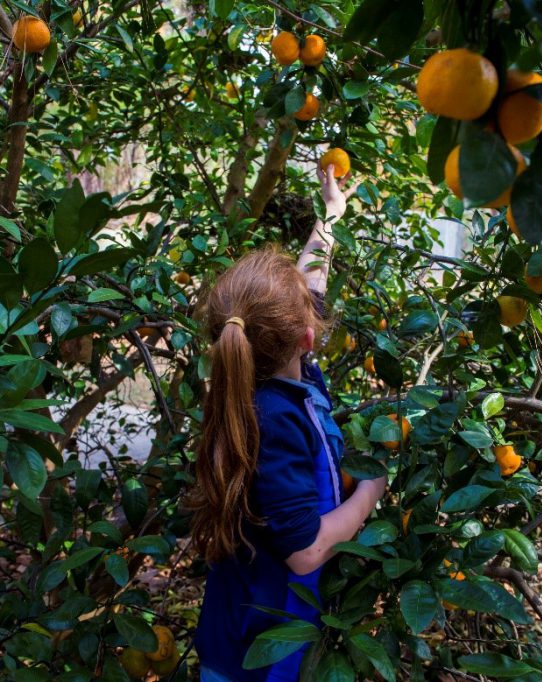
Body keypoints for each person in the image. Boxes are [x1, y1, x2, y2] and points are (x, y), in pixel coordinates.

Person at [187, 163, 388, 681]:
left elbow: (308, 285)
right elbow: (305, 550)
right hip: (259, 649)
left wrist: (330, 215)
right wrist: (370, 491)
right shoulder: (274, 418)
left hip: (248, 626)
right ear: (306, 337)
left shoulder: (258, 377)